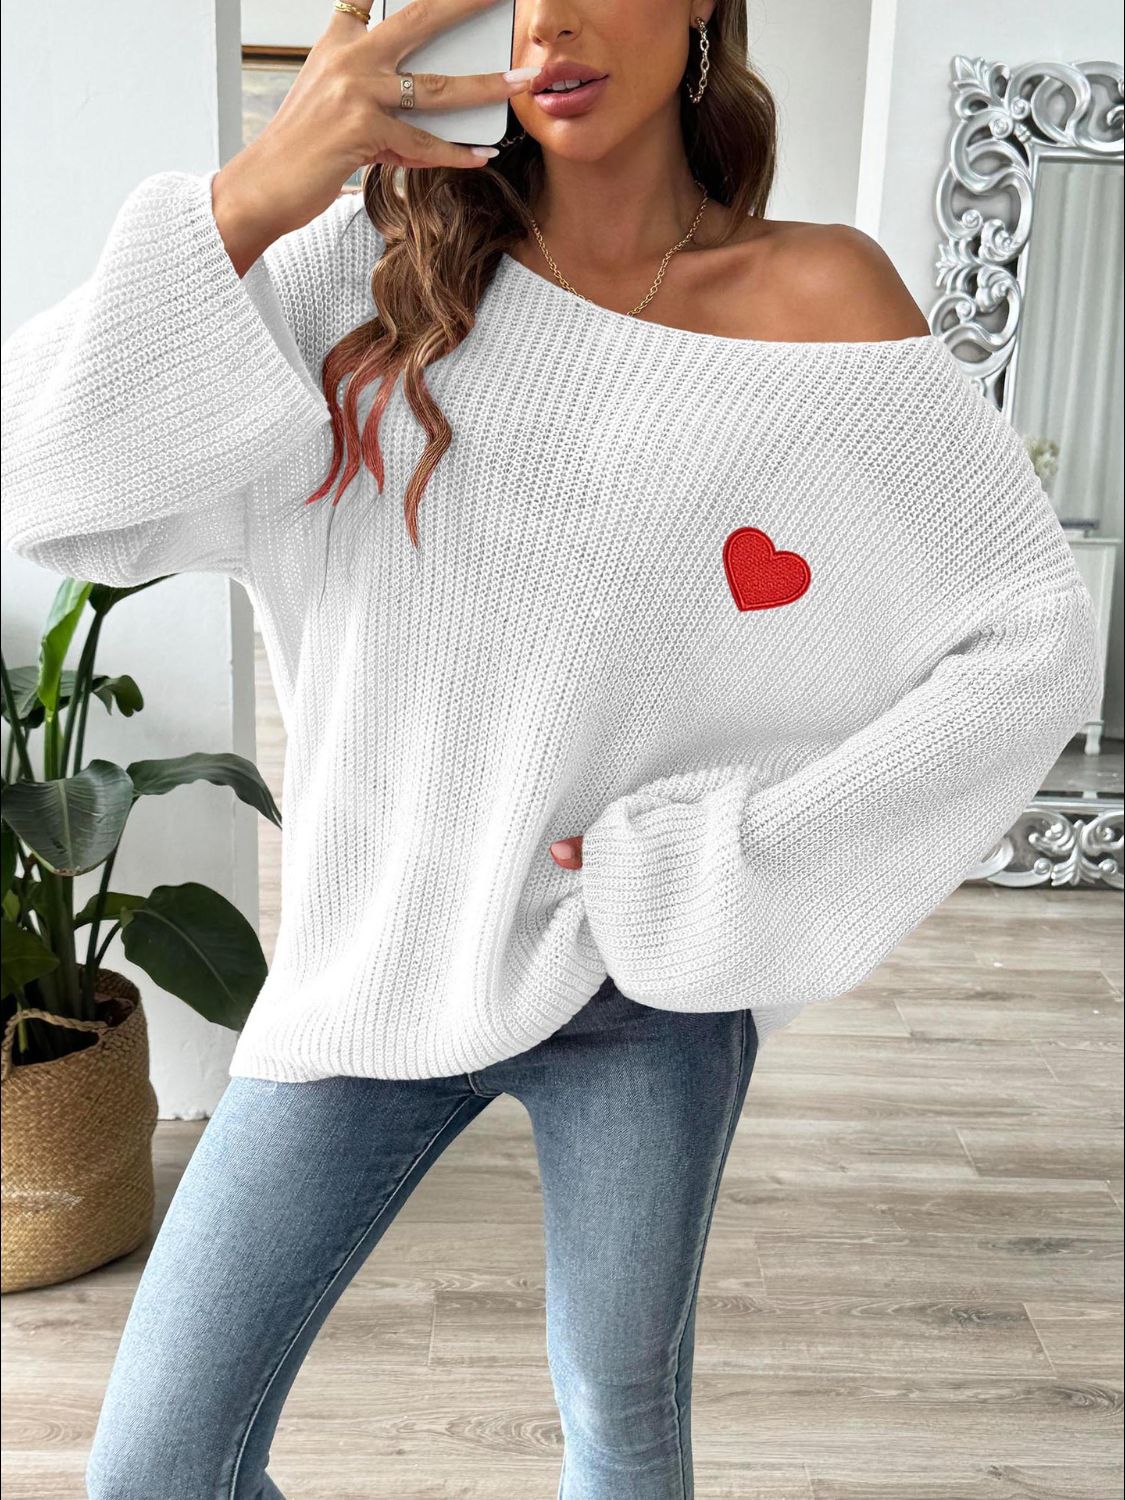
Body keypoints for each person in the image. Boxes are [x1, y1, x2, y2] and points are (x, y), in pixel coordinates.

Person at [0, 2, 1102, 1497]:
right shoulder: (364, 273)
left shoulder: (818, 295)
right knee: (153, 1470)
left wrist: (727, 850)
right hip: (375, 956)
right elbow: (42, 480)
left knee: (618, 1432)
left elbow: (1029, 637)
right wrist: (253, 192)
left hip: (639, 974)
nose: (554, 20)